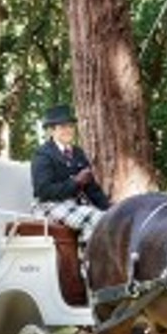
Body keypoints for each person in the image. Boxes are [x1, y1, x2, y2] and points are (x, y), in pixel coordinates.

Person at [31, 103, 110, 243]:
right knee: (96, 219)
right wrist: (75, 182)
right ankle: (89, 262)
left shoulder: (78, 153)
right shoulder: (43, 154)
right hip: (48, 205)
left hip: (73, 205)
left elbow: (91, 188)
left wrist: (110, 208)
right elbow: (43, 190)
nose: (68, 130)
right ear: (52, 131)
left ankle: (85, 255)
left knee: (109, 218)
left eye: (70, 126)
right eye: (62, 127)